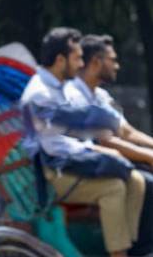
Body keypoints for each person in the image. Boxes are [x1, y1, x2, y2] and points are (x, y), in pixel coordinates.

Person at [20, 27, 145, 257]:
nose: (80, 65)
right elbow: (55, 146)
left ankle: (127, 248)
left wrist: (96, 148)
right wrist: (98, 151)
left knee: (136, 180)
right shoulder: (41, 93)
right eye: (77, 58)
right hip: (53, 172)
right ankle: (119, 253)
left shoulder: (60, 88)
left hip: (69, 164)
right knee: (114, 188)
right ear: (60, 60)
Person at [65, 34, 153, 256]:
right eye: (112, 60)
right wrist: (148, 156)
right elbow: (106, 140)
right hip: (81, 168)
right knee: (148, 183)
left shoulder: (101, 95)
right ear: (96, 62)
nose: (117, 65)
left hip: (106, 163)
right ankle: (139, 251)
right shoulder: (74, 95)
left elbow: (127, 132)